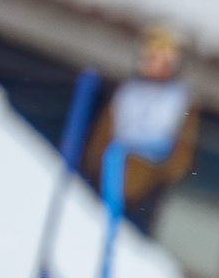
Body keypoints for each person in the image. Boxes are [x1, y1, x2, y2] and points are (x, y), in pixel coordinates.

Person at [85, 26, 198, 229]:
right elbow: (102, 136)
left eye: (164, 61)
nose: (156, 65)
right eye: (152, 58)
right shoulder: (127, 93)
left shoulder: (181, 101)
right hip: (109, 177)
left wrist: (159, 173)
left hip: (148, 188)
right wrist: (99, 164)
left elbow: (181, 151)